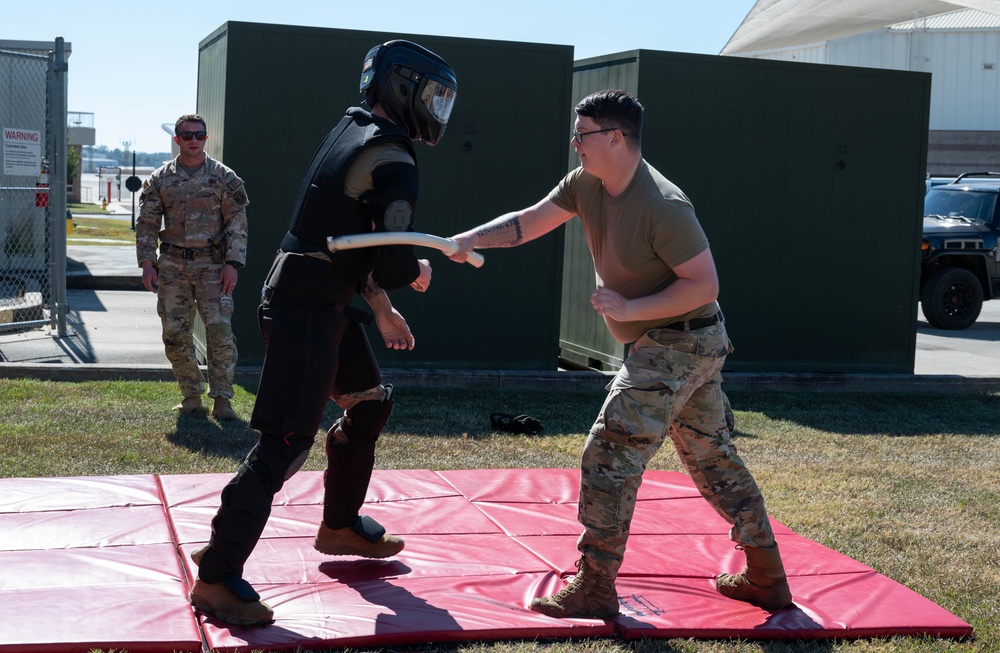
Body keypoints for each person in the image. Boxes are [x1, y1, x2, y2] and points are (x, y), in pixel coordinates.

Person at [448, 89, 792, 618]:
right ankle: (767, 576)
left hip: (679, 339)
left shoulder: (663, 205)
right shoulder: (586, 182)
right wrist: (470, 238)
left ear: (615, 137)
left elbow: (704, 284)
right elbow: (529, 222)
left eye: (582, 134)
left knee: (610, 451)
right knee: (711, 456)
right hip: (677, 341)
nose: (574, 143)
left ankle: (595, 586)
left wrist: (629, 306)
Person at [187, 39, 458, 627]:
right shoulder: (392, 155)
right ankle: (216, 575)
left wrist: (381, 308)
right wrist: (419, 270)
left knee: (368, 401)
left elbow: (342, 238)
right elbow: (387, 254)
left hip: (316, 299)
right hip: (306, 310)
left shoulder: (355, 130)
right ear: (402, 87)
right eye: (434, 94)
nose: (438, 108)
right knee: (284, 444)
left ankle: (339, 525)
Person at [136, 114, 248, 421]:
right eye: (187, 135)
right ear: (177, 140)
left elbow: (237, 223)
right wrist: (147, 263)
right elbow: (146, 223)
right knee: (174, 334)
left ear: (206, 138)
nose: (193, 140)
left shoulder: (224, 177)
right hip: (172, 267)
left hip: (213, 267)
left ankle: (222, 398)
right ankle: (191, 395)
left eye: (199, 134)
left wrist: (232, 264)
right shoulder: (160, 179)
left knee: (220, 331)